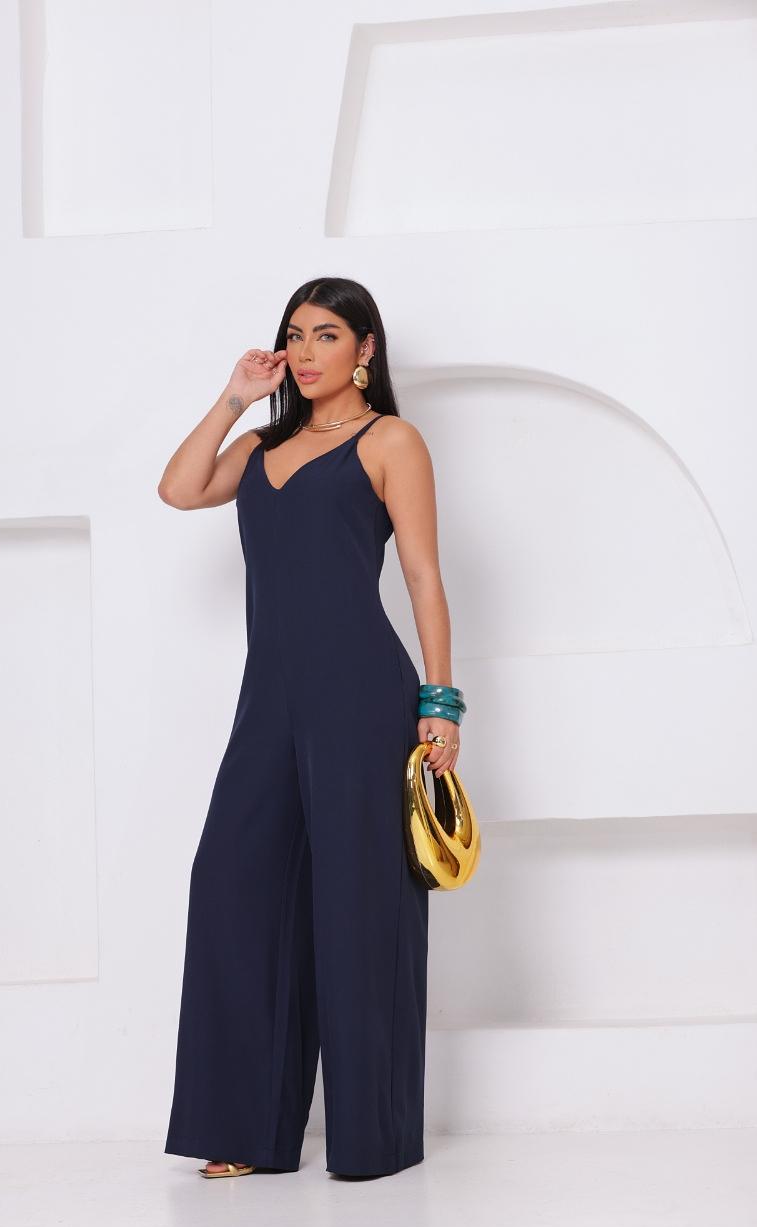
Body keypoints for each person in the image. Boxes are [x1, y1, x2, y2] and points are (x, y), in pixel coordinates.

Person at [157, 276, 464, 1179]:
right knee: (232, 887)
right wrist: (234, 396)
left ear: (365, 350)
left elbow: (423, 576)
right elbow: (179, 489)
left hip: (362, 697)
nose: (305, 351)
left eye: (326, 335)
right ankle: (246, 1131)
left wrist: (439, 705)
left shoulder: (390, 441)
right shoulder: (260, 446)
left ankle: (374, 1137)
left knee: (359, 907)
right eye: (294, 335)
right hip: (270, 700)